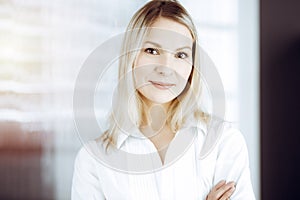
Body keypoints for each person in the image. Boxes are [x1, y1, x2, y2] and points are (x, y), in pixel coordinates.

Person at [71, 0, 256, 199]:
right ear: (130, 57)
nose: (166, 67)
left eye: (180, 54)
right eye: (152, 51)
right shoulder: (93, 161)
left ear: (192, 67)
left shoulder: (224, 143)